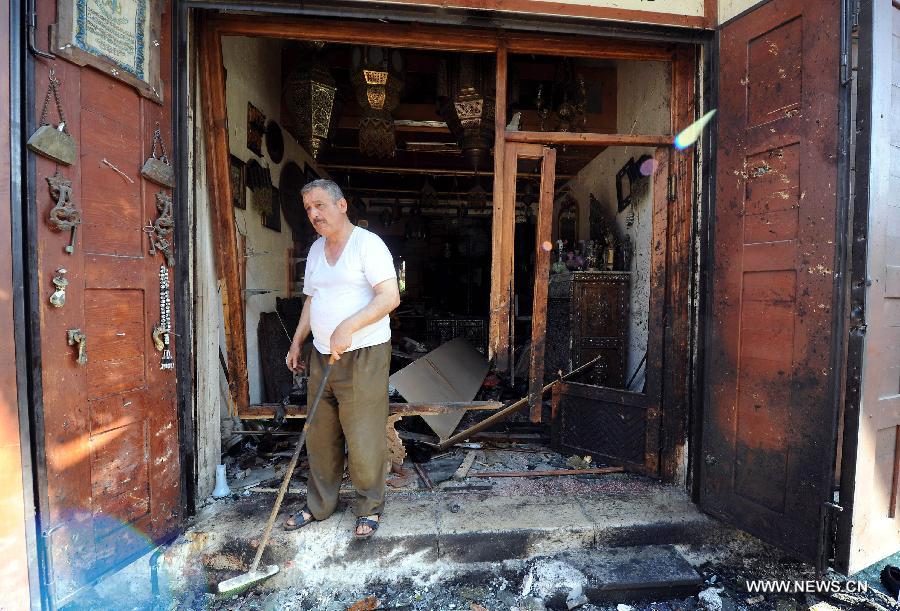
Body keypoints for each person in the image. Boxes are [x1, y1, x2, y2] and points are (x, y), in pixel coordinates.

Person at [283, 179, 400, 539]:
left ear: (342, 205)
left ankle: (369, 507)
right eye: (308, 209)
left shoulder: (368, 245)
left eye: (320, 205)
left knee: (363, 435)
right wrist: (297, 341)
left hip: (363, 354)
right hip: (322, 354)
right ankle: (320, 505)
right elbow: (311, 300)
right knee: (320, 433)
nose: (314, 214)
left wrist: (349, 325)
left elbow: (389, 297)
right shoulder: (317, 251)